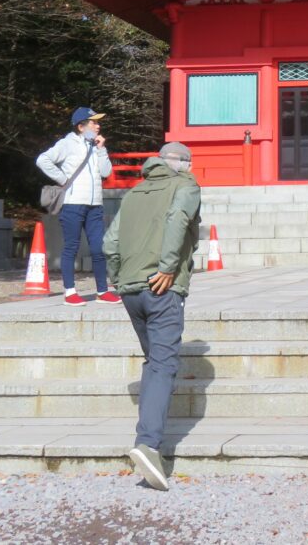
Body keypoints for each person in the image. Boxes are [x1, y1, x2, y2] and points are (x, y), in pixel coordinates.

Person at [103, 141, 201, 492]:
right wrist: (168, 266)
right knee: (162, 363)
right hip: (161, 287)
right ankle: (148, 444)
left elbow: (110, 242)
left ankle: (148, 436)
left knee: (153, 361)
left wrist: (117, 277)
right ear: (184, 164)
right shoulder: (186, 186)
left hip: (130, 290)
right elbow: (178, 219)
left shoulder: (133, 193)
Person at [36, 106, 118, 306]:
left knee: (99, 248)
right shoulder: (67, 144)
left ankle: (102, 291)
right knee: (71, 246)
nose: (98, 126)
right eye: (94, 122)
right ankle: (70, 292)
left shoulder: (96, 145)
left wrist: (102, 149)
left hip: (95, 204)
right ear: (81, 126)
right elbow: (42, 160)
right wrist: (62, 178)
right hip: (72, 203)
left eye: (98, 122)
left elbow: (106, 172)